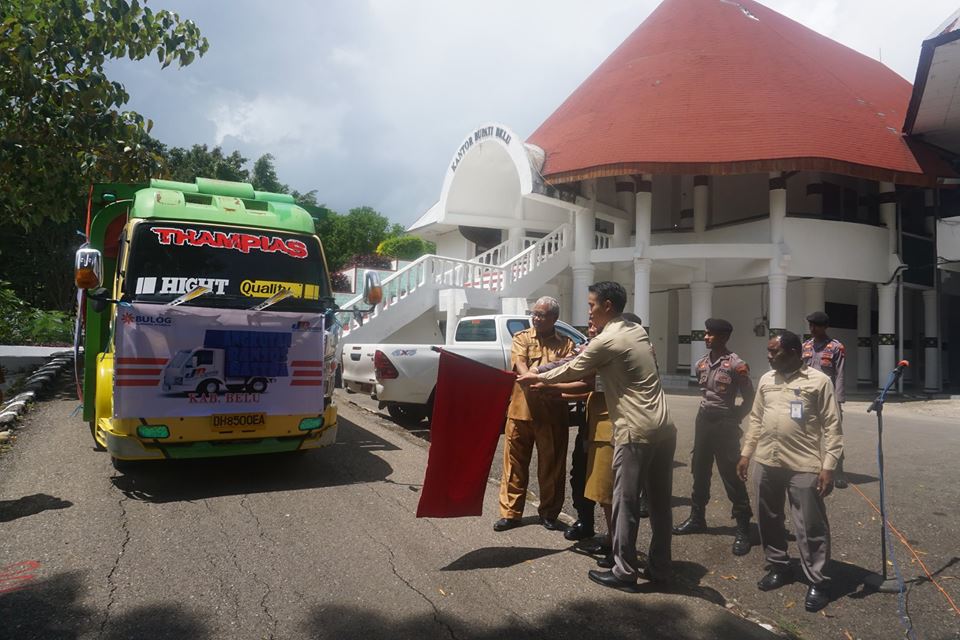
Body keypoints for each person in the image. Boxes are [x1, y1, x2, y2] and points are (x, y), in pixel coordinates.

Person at [518, 282, 676, 592]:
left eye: (591, 306)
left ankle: (625, 572)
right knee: (660, 506)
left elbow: (573, 369)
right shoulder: (635, 330)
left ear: (606, 306)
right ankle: (660, 568)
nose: (589, 311)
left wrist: (536, 376)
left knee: (625, 504)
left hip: (635, 431)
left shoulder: (608, 340)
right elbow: (573, 364)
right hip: (664, 427)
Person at [736, 331, 843, 613]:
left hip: (803, 463)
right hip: (767, 460)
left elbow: (833, 426)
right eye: (768, 351)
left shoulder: (819, 381)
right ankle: (779, 566)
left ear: (796, 352)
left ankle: (818, 580)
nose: (769, 356)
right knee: (768, 518)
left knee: (809, 525)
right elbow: (756, 418)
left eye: (775, 352)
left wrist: (829, 466)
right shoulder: (766, 380)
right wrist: (747, 453)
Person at [674, 318, 755, 556]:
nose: (706, 337)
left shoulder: (736, 365)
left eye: (710, 334)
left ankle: (743, 526)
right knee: (699, 470)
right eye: (706, 334)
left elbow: (749, 398)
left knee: (731, 475)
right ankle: (697, 518)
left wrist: (735, 417)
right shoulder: (701, 364)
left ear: (723, 337)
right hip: (704, 422)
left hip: (725, 423)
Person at [494, 296, 574, 532]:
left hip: (552, 415)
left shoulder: (566, 344)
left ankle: (549, 513)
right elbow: (518, 361)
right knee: (514, 465)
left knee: (552, 467)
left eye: (542, 315)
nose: (537, 318)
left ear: (554, 319)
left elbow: (566, 369)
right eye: (535, 314)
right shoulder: (521, 338)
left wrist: (538, 378)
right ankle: (511, 513)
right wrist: (531, 377)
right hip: (520, 411)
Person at [533, 324, 598, 542]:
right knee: (579, 472)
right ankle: (585, 522)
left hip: (611, 423)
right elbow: (566, 363)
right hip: (588, 420)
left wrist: (551, 387)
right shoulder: (586, 346)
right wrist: (538, 373)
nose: (591, 325)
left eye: (594, 318)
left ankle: (616, 541)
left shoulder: (609, 346)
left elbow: (590, 384)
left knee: (610, 483)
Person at [802, 311, 847, 488]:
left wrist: (838, 400)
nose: (813, 329)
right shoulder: (805, 346)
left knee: (833, 435)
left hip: (828, 397)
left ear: (825, 327)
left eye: (816, 326)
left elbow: (840, 374)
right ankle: (807, 466)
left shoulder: (836, 347)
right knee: (806, 432)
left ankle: (838, 470)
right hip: (807, 396)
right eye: (811, 326)